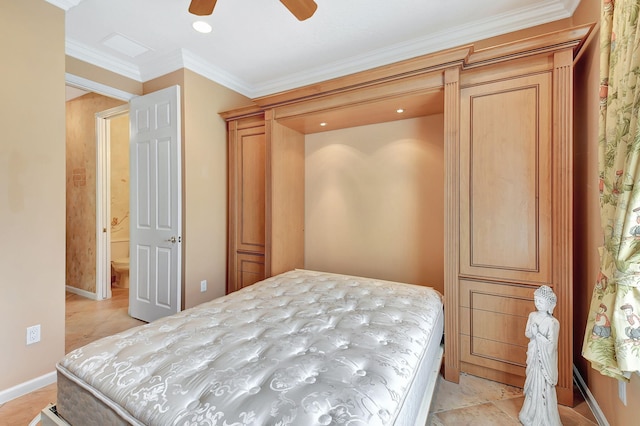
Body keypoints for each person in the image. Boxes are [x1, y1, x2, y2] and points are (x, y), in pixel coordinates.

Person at [519, 285, 562, 426]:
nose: (537, 303)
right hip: (533, 356)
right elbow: (527, 333)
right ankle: (529, 414)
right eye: (536, 300)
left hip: (544, 361)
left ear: (549, 305)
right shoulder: (532, 315)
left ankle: (544, 418)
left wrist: (537, 334)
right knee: (532, 384)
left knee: (542, 385)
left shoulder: (553, 323)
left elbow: (551, 346)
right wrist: (532, 332)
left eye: (541, 301)